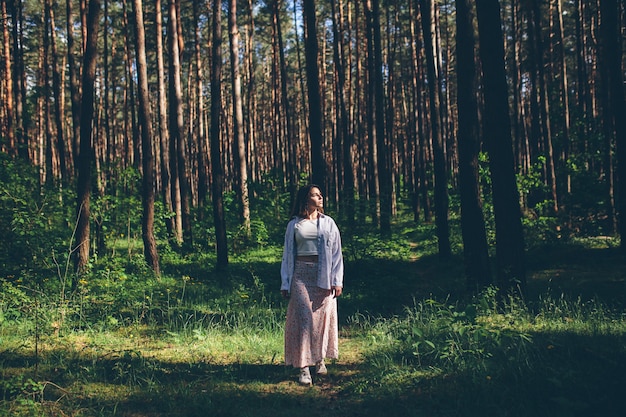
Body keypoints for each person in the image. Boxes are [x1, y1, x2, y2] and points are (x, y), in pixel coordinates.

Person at [280, 184, 344, 385]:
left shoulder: (328, 223)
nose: (320, 197)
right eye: (315, 195)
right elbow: (287, 256)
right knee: (304, 319)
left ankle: (319, 359)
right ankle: (303, 368)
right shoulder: (294, 225)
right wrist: (285, 282)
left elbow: (336, 254)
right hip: (300, 274)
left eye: (320, 194)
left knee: (321, 320)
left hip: (323, 275)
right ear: (306, 199)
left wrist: (337, 281)